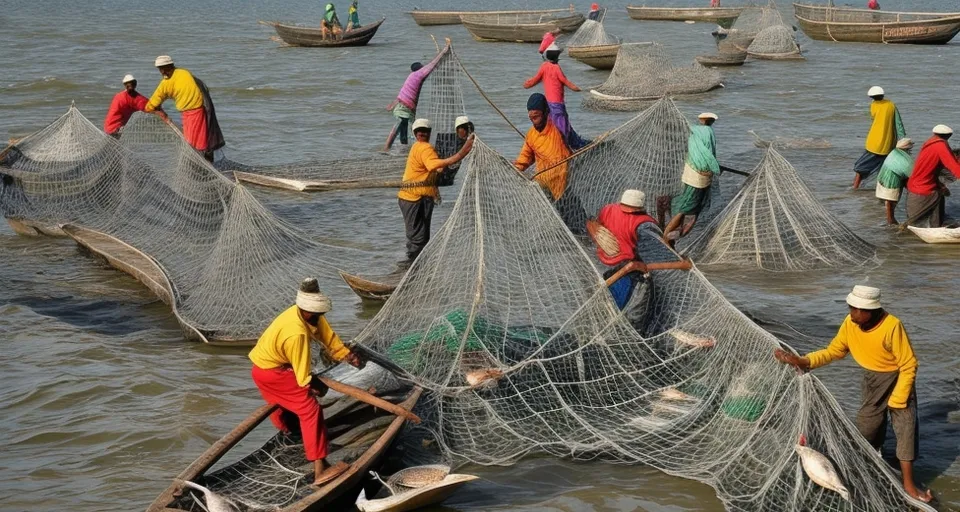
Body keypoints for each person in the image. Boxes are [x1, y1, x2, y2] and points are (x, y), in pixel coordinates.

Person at [774, 285, 932, 503]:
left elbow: (909, 364)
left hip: (898, 379)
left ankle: (908, 484)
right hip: (872, 380)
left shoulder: (892, 325)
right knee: (867, 428)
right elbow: (835, 350)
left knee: (905, 431)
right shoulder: (851, 323)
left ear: (873, 310)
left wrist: (898, 398)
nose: (853, 314)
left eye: (859, 310)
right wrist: (805, 360)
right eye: (851, 308)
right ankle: (872, 467)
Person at [249, 278, 365, 486]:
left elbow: (327, 336)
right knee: (310, 409)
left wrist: (346, 355)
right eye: (319, 315)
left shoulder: (301, 313)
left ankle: (294, 437)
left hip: (261, 369)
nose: (322, 318)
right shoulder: (297, 334)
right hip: (273, 373)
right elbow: (303, 377)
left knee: (283, 407)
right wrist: (315, 387)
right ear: (309, 312)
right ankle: (319, 467)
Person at [590, 189, 692, 310]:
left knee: (609, 308)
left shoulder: (608, 209)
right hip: (628, 275)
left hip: (604, 267)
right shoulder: (643, 225)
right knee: (637, 316)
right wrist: (683, 265)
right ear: (640, 207)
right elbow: (654, 261)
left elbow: (594, 225)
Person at [398, 118, 475, 263]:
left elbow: (433, 167)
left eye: (425, 131)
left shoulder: (419, 147)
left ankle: (415, 268)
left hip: (416, 198)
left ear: (429, 132)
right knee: (417, 240)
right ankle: (409, 270)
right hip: (413, 199)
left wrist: (446, 164)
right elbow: (432, 165)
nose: (422, 133)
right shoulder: (423, 148)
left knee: (421, 239)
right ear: (415, 133)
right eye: (420, 131)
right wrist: (459, 155)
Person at [662, 113, 721, 246]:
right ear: (711, 122)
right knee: (688, 207)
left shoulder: (692, 130)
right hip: (699, 177)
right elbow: (707, 153)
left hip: (689, 171)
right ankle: (667, 235)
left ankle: (671, 236)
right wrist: (715, 167)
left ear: (701, 120)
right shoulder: (708, 131)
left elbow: (697, 150)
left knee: (688, 204)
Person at [384, 40, 451, 152]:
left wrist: (392, 105)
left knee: (404, 132)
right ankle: (387, 148)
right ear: (420, 68)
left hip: (404, 106)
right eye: (422, 67)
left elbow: (401, 95)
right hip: (404, 108)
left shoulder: (412, 76)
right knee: (401, 125)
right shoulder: (418, 74)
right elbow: (432, 64)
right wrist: (445, 50)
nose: (424, 68)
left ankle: (404, 151)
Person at [524, 43, 587, 151]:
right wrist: (576, 88)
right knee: (563, 126)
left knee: (558, 125)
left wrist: (527, 84)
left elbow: (535, 79)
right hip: (557, 104)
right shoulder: (556, 68)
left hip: (548, 105)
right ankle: (566, 147)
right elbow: (564, 81)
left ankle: (575, 143)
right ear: (557, 57)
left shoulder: (544, 66)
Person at [145, 56, 210, 155]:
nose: (162, 72)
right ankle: (204, 160)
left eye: (164, 68)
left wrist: (161, 113)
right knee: (196, 144)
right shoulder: (182, 73)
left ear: (171, 65)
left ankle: (202, 161)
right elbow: (149, 107)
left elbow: (149, 108)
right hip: (189, 113)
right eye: (160, 69)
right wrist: (161, 113)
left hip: (197, 111)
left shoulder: (171, 81)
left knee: (195, 145)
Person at [514, 93, 572, 201]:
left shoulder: (559, 128)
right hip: (544, 188)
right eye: (531, 118)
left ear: (545, 112)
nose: (534, 121)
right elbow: (524, 159)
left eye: (536, 117)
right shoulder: (531, 135)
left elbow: (575, 141)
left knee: (577, 216)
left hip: (564, 187)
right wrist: (512, 169)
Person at [904, 125, 960, 228]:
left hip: (915, 186)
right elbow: (954, 167)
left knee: (913, 224)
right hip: (924, 190)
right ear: (949, 136)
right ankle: (937, 226)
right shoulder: (941, 146)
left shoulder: (929, 143)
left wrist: (940, 185)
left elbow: (929, 169)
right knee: (916, 223)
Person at [854, 86, 905, 189]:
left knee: (860, 167)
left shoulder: (873, 106)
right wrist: (903, 140)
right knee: (882, 169)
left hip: (873, 143)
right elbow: (898, 124)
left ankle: (855, 187)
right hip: (888, 144)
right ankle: (880, 190)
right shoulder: (891, 105)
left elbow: (874, 118)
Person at [875, 138, 914, 225]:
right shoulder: (902, 158)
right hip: (891, 181)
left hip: (883, 178)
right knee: (891, 203)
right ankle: (891, 221)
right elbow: (911, 172)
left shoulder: (893, 153)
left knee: (889, 203)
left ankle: (890, 220)